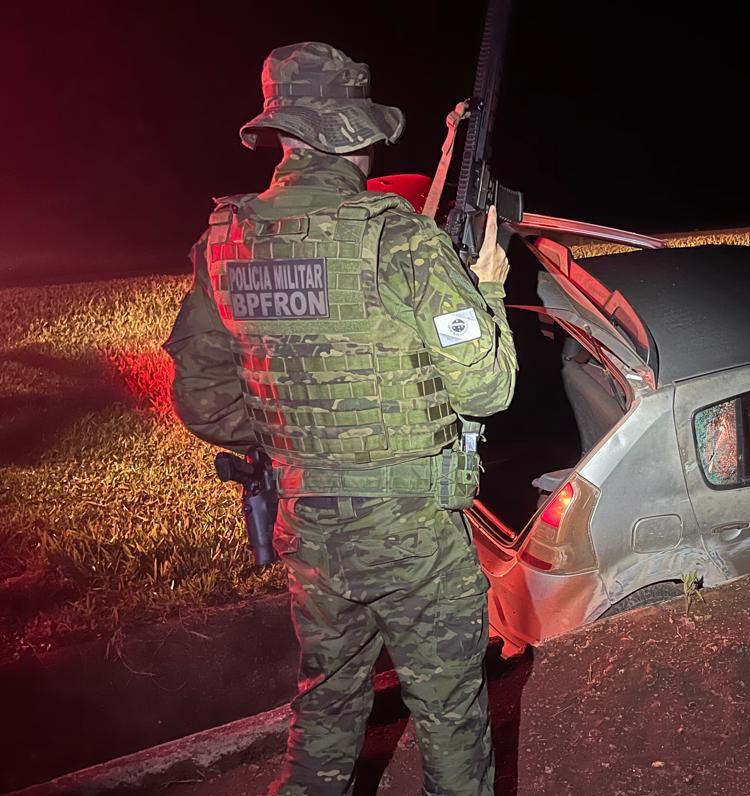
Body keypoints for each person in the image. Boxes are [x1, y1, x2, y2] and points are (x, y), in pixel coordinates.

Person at [163, 41, 518, 796]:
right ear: (351, 132)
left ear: (286, 136)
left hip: (311, 522)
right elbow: (486, 390)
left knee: (324, 707)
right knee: (449, 715)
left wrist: (296, 440)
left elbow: (203, 398)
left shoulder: (225, 239)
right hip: (414, 530)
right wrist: (486, 290)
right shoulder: (395, 236)